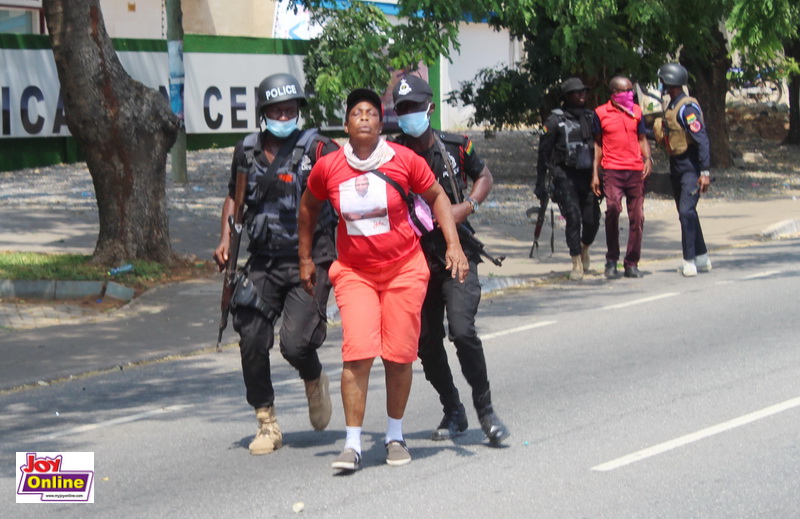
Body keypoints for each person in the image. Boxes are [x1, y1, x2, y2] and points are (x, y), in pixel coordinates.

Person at [298, 87, 469, 472]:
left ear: (380, 124)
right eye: (356, 112)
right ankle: (353, 443)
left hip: (404, 269)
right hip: (356, 273)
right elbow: (308, 207)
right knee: (357, 353)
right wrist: (305, 257)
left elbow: (438, 197)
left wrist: (453, 245)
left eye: (371, 113)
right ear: (345, 124)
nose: (363, 117)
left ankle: (394, 436)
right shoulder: (329, 167)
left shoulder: (403, 160)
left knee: (398, 355)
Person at [212, 73, 339, 456]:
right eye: (276, 109)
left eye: (290, 109)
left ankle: (314, 378)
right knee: (250, 336)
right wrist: (224, 238)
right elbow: (234, 199)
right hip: (264, 259)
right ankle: (266, 421)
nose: (284, 115)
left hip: (311, 260)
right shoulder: (246, 152)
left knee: (296, 345)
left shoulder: (320, 149)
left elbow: (345, 189)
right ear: (263, 113)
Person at [391, 75, 510, 445]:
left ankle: (485, 410)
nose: (410, 115)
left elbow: (485, 176)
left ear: (430, 108)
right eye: (403, 109)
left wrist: (467, 206)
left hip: (457, 254)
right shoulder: (391, 156)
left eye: (415, 107)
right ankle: (452, 408)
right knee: (425, 341)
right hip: (413, 261)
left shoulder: (456, 146)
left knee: (462, 330)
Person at [536, 77, 600, 281]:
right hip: (564, 175)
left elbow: (600, 147)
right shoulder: (555, 121)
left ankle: (584, 248)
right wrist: (540, 183)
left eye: (584, 92)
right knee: (574, 217)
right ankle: (576, 262)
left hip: (588, 175)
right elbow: (543, 153)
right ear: (567, 97)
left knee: (592, 220)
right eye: (577, 92)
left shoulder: (591, 118)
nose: (582, 95)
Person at [592, 75, 653, 278]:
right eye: (625, 91)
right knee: (612, 209)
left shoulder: (636, 111)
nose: (629, 95)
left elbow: (642, 138)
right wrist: (595, 173)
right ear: (614, 94)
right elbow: (598, 145)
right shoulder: (600, 113)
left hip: (635, 170)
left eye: (630, 91)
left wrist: (648, 159)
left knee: (637, 216)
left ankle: (631, 262)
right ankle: (611, 259)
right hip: (612, 169)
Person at [655, 63, 713, 277]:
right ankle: (702, 257)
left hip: (690, 166)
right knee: (687, 213)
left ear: (669, 83)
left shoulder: (686, 109)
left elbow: (702, 140)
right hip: (677, 165)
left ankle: (689, 260)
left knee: (686, 212)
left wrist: (704, 172)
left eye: (663, 81)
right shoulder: (672, 106)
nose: (661, 85)